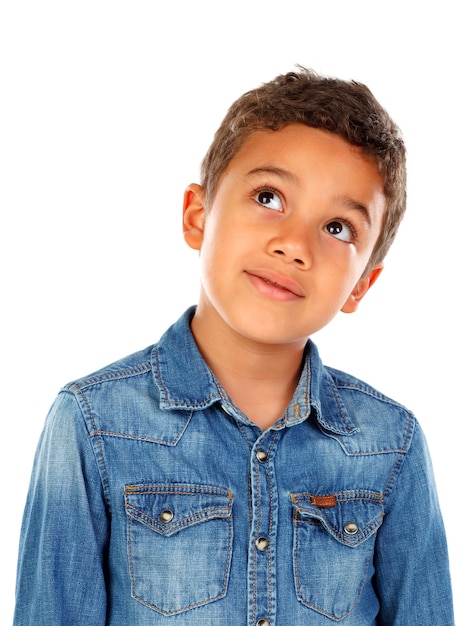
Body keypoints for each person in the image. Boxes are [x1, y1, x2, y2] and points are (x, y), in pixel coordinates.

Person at [14, 67, 454, 625]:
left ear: (361, 284)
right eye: (269, 197)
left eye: (338, 228)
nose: (294, 245)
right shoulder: (93, 422)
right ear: (198, 216)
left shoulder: (391, 445)